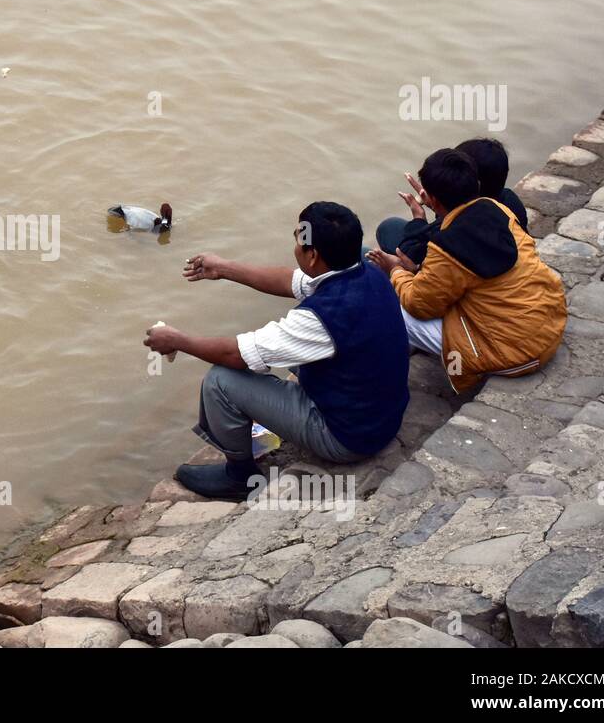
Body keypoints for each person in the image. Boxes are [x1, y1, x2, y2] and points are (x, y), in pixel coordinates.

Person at [144, 202, 411, 500]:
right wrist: (223, 268)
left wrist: (177, 341)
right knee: (292, 354)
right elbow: (289, 280)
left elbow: (236, 355)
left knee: (221, 381)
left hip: (349, 437)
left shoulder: (321, 318)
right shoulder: (366, 270)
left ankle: (239, 477)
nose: (294, 246)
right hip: (383, 416)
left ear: (313, 256)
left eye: (298, 240)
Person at [366, 148, 566, 393]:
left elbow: (418, 304)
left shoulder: (447, 248)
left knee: (389, 303)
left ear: (434, 200)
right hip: (547, 327)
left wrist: (396, 270)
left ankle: (375, 366)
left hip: (516, 353)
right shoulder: (496, 208)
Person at [376, 137, 528, 267]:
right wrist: (440, 204)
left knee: (388, 228)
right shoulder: (509, 201)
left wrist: (419, 217)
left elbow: (411, 253)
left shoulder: (457, 231)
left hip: (444, 283)